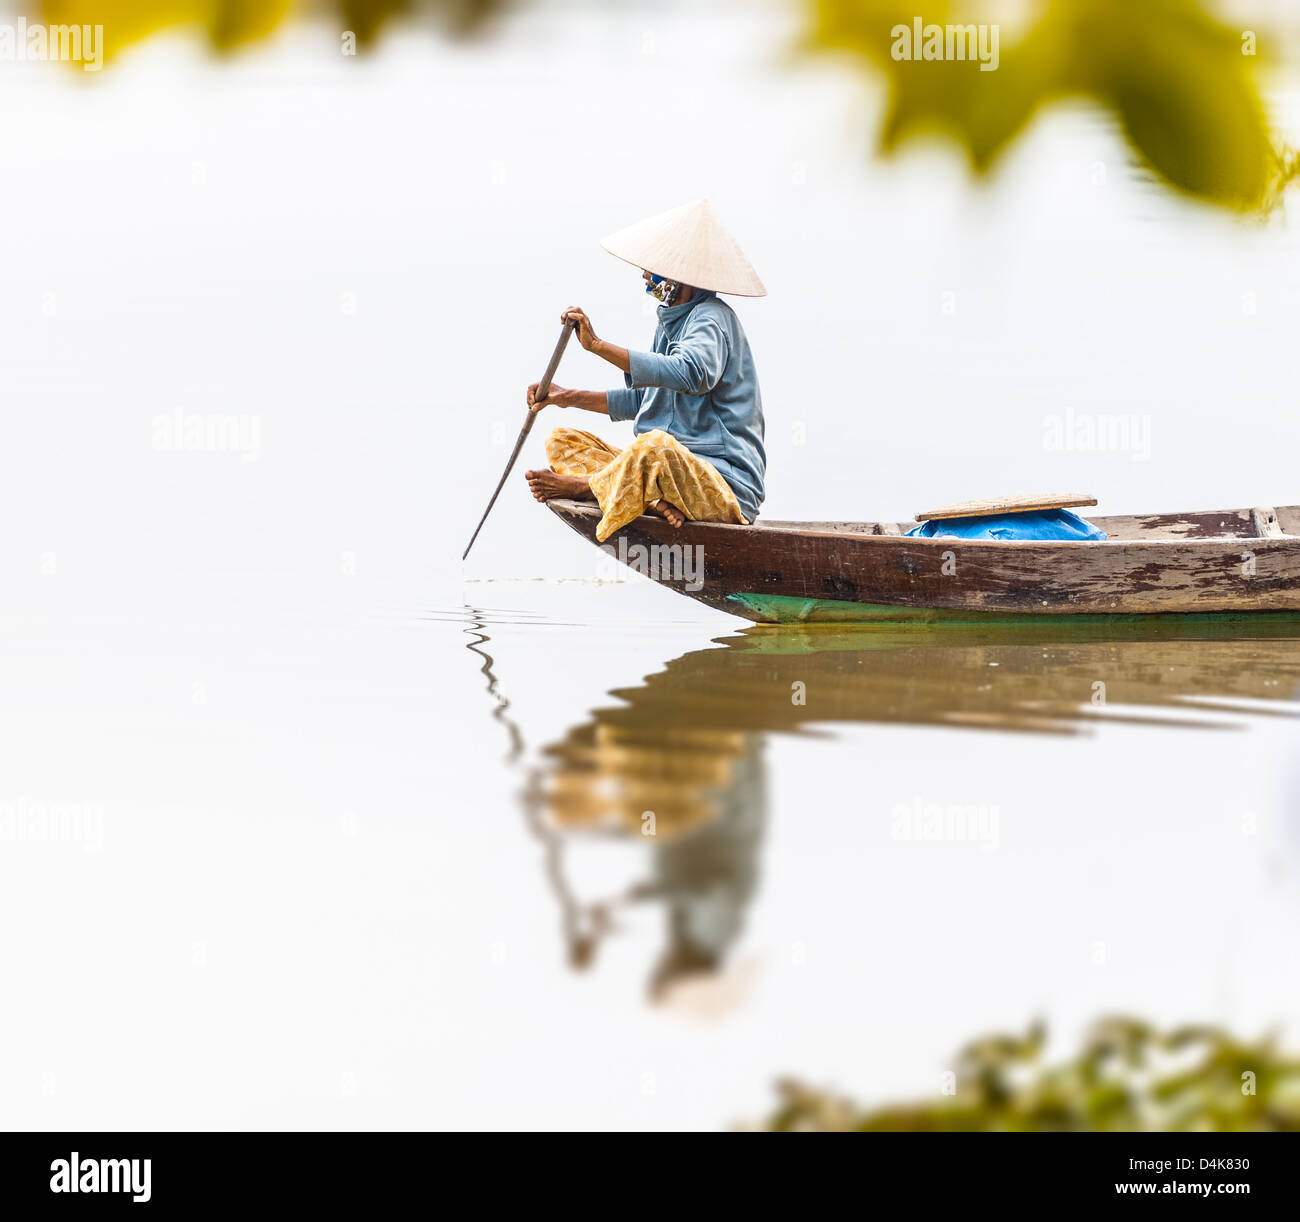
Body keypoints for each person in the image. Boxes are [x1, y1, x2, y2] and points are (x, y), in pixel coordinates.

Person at [524, 199, 767, 543]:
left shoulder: (711, 319)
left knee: (653, 447)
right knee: (562, 441)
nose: (644, 275)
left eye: (652, 268)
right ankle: (647, 499)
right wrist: (564, 397)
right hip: (670, 478)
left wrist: (597, 346)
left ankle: (589, 488)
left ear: (678, 275)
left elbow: (690, 374)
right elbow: (644, 402)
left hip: (720, 489)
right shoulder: (670, 324)